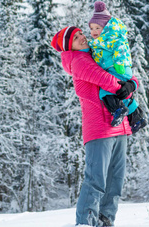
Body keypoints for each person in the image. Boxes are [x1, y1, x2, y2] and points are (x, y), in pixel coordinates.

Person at [51, 25, 138, 227]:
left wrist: (132, 83)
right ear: (69, 46)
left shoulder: (96, 55)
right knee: (96, 180)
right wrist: (127, 86)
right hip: (99, 128)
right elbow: (106, 79)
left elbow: (121, 69)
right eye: (76, 38)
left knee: (115, 182)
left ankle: (105, 221)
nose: (82, 37)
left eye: (82, 33)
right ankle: (86, 223)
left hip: (119, 125)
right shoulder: (78, 61)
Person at [88, 1, 147, 133]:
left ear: (106, 28)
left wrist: (119, 64)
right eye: (92, 29)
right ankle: (137, 117)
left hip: (118, 67)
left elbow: (121, 49)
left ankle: (118, 110)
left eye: (98, 28)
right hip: (114, 68)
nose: (94, 31)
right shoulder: (102, 40)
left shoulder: (112, 37)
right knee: (122, 94)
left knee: (105, 91)